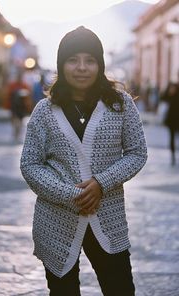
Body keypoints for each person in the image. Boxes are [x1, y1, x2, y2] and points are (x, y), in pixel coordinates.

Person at [20, 26, 147, 296]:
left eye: (90, 60)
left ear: (100, 65)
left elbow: (137, 153)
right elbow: (30, 164)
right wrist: (71, 194)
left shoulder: (120, 105)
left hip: (108, 217)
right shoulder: (45, 110)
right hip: (55, 219)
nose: (81, 67)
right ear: (61, 64)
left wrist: (101, 183)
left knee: (120, 288)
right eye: (72, 60)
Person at [6, 71, 32, 142]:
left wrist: (28, 106)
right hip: (14, 106)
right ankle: (15, 134)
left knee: (20, 121)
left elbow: (28, 96)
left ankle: (18, 134)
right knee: (15, 121)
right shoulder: (12, 85)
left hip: (21, 107)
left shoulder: (25, 85)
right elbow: (9, 96)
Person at [161, 82, 179, 165]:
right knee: (172, 138)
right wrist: (169, 91)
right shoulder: (173, 85)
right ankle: (173, 157)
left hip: (174, 118)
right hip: (172, 118)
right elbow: (163, 98)